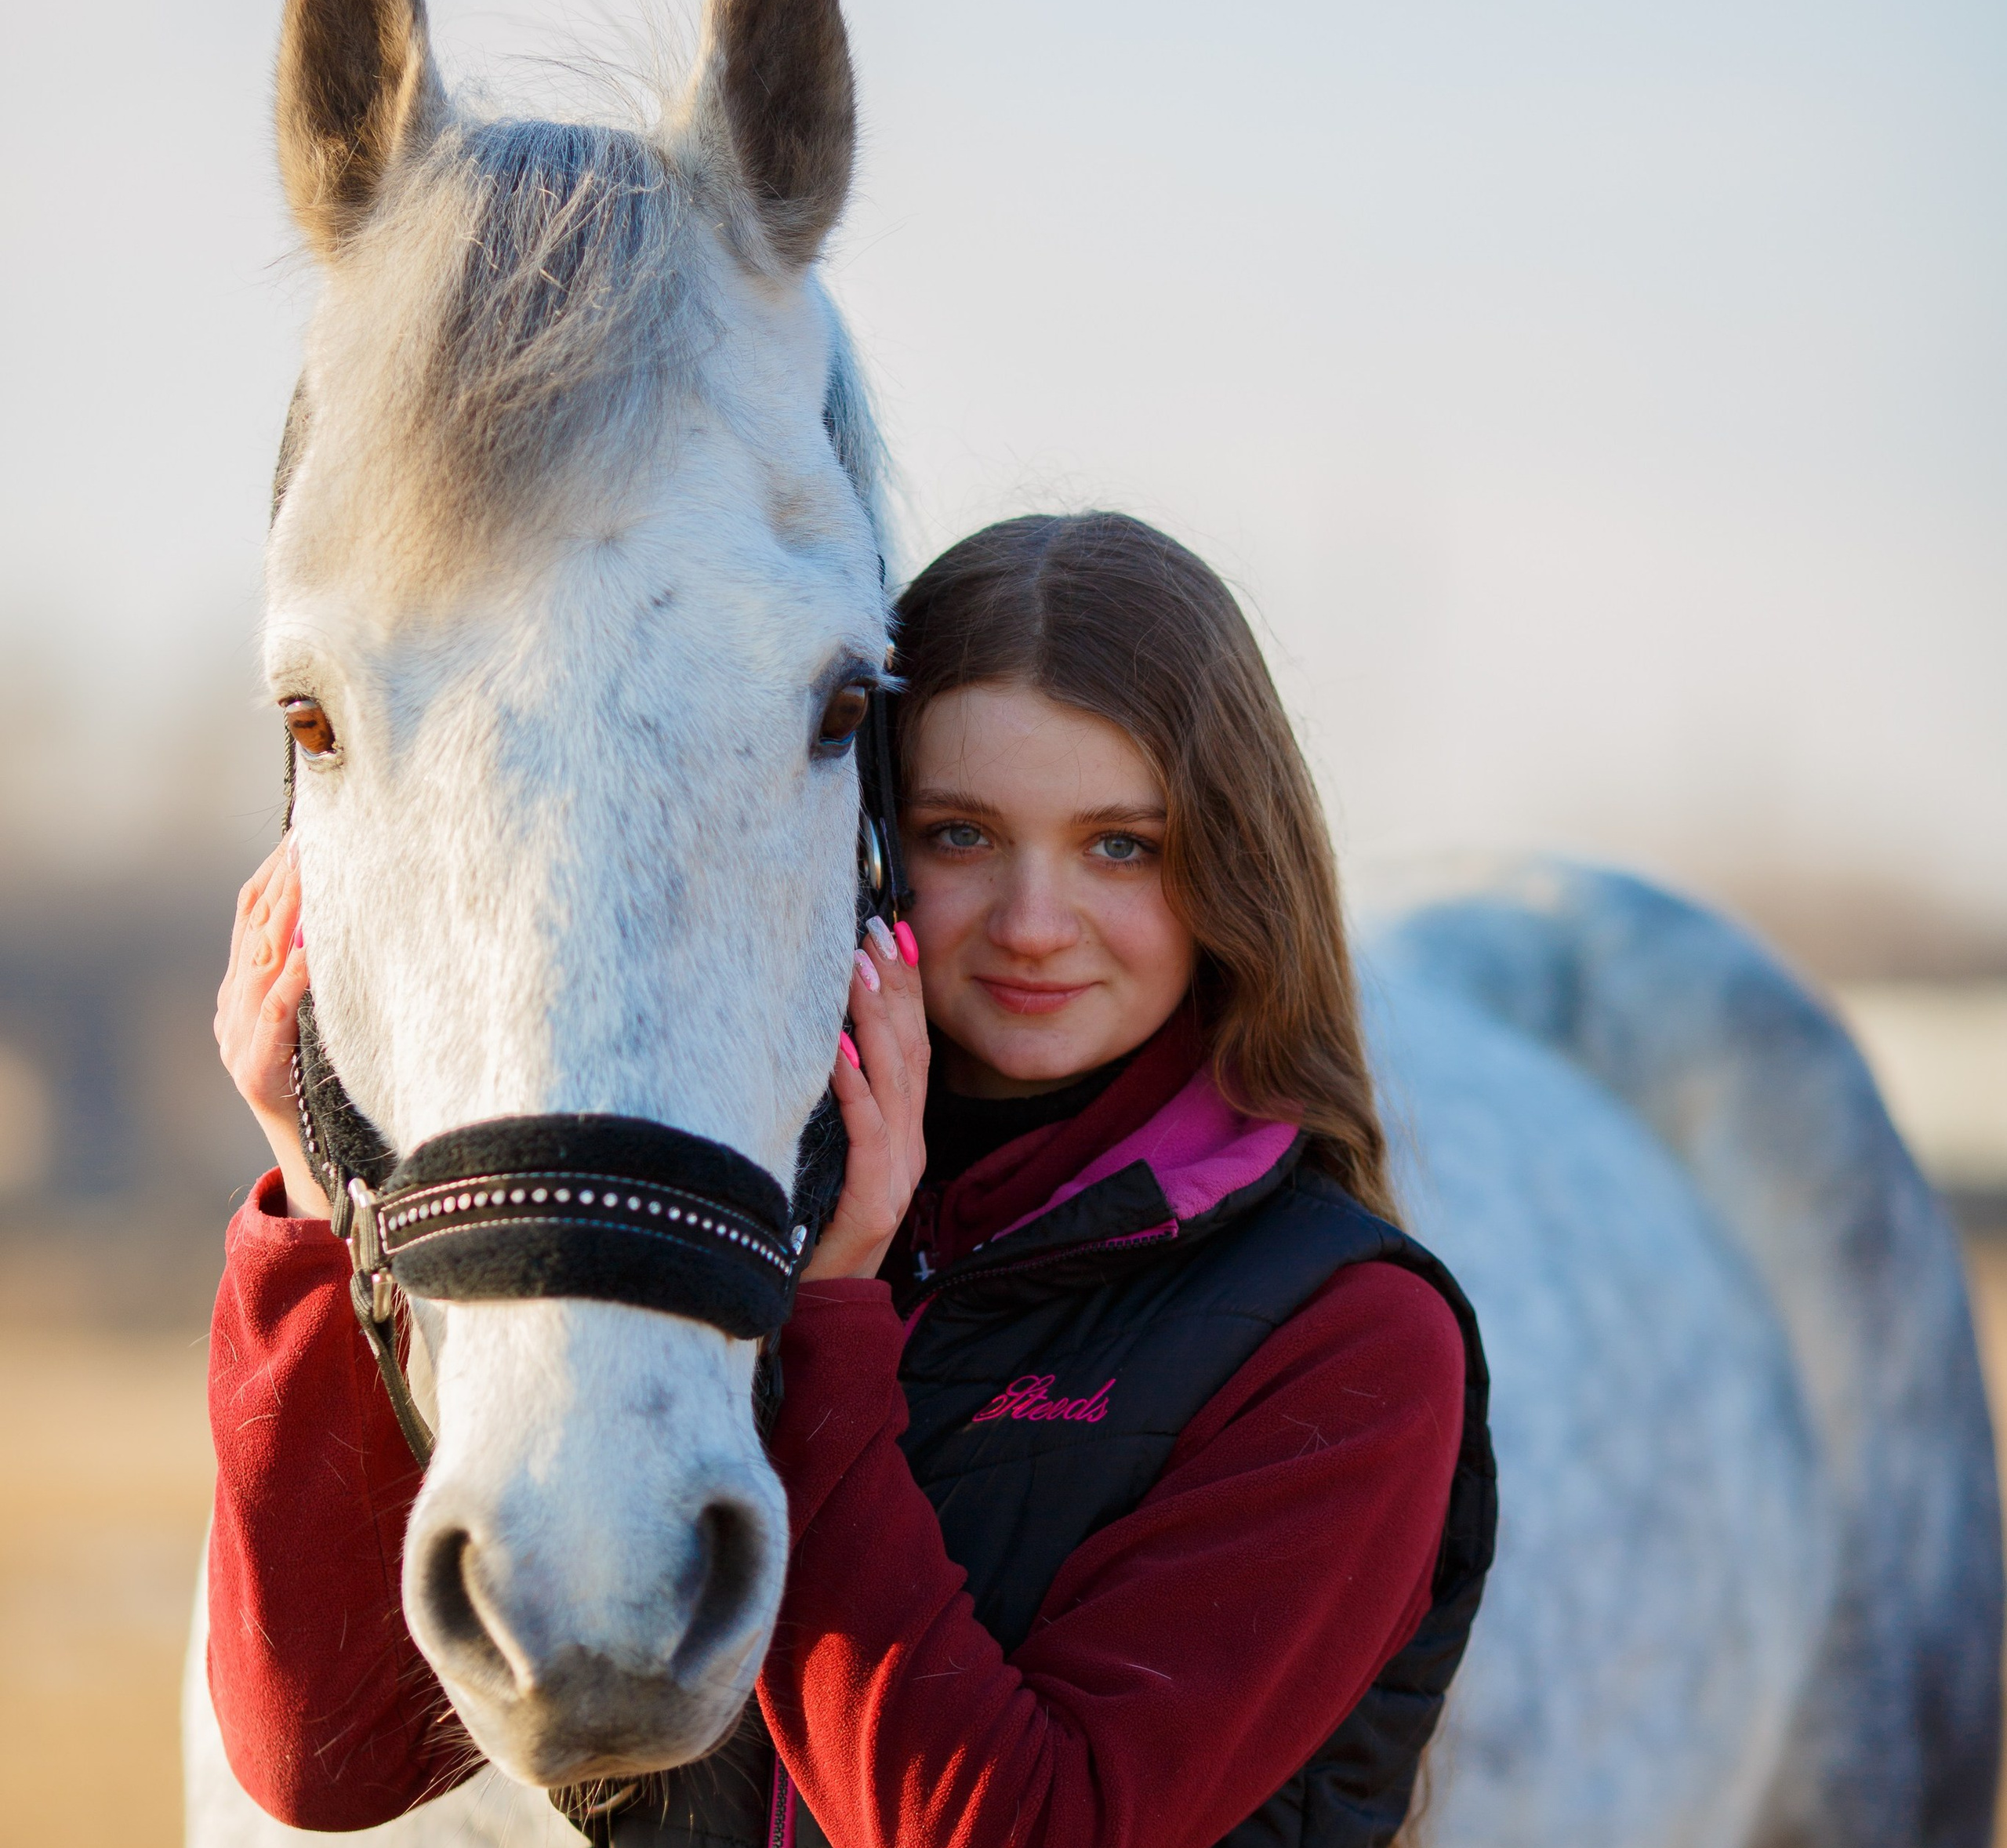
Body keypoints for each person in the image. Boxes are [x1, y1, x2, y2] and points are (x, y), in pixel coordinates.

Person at [208, 510, 1493, 1847]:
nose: (1034, 925)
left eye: (1124, 845)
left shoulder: (1350, 1343)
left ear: (1231, 868)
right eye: (961, 836)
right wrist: (314, 1205)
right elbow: (328, 1756)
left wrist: (832, 1326)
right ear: (863, 842)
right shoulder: (715, 1246)